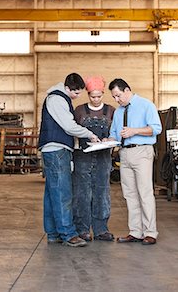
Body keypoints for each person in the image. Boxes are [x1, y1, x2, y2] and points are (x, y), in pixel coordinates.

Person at [38, 73, 100, 247]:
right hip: (57, 150)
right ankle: (68, 234)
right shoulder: (57, 99)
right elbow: (69, 126)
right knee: (63, 192)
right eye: (77, 93)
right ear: (67, 88)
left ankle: (53, 233)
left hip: (55, 149)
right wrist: (89, 134)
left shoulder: (60, 98)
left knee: (52, 194)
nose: (77, 96)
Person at [106, 78, 162, 245]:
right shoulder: (118, 112)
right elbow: (115, 134)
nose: (117, 100)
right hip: (124, 154)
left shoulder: (146, 105)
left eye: (118, 95)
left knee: (144, 192)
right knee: (129, 194)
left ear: (127, 90)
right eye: (114, 97)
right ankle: (135, 231)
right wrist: (106, 140)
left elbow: (156, 128)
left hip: (142, 151)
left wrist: (134, 131)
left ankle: (150, 232)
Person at [72, 76, 115, 242]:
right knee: (82, 193)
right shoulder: (79, 110)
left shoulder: (111, 110)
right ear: (88, 94)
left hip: (103, 157)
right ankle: (82, 229)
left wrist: (109, 140)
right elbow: (73, 132)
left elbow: (115, 132)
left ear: (103, 93)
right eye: (92, 96)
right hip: (82, 157)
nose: (96, 99)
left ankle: (101, 229)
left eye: (99, 96)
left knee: (102, 192)